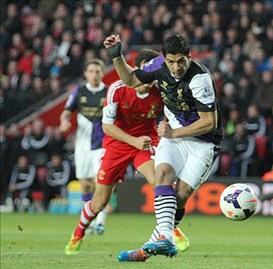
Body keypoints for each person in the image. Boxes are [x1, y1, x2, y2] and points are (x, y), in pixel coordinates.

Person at [104, 34, 222, 261]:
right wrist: (116, 55)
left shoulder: (200, 78)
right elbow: (130, 80)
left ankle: (148, 248)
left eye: (180, 61)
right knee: (162, 174)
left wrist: (173, 132)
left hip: (204, 142)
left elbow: (209, 122)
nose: (176, 67)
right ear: (164, 58)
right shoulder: (158, 64)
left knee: (181, 195)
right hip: (174, 138)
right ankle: (165, 240)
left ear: (189, 56)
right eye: (170, 61)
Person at [64, 50, 165, 255]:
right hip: (117, 144)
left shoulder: (161, 91)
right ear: (136, 70)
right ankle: (78, 233)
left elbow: (170, 117)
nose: (150, 75)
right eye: (146, 70)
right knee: (99, 201)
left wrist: (167, 129)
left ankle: (170, 230)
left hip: (145, 143)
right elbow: (108, 127)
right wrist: (133, 141)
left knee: (160, 180)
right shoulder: (117, 88)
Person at [59, 59, 109, 234]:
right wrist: (64, 121)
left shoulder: (109, 92)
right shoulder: (78, 91)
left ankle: (100, 222)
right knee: (86, 185)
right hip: (82, 146)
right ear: (86, 73)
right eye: (91, 71)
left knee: (101, 183)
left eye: (98, 71)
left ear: (103, 73)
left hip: (102, 145)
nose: (95, 74)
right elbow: (66, 112)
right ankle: (88, 221)